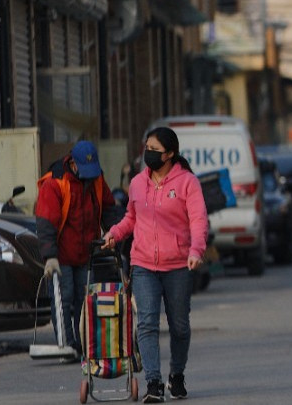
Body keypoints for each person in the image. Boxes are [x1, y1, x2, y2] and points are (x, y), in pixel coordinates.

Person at [104, 127, 208, 403]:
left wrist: (196, 249)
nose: (148, 153)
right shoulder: (138, 183)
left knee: (180, 326)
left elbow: (198, 220)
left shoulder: (187, 183)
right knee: (147, 323)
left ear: (170, 153)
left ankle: (176, 375)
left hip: (178, 265)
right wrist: (114, 234)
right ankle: (153, 382)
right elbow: (131, 218)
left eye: (155, 149)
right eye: (146, 148)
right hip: (144, 264)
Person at [35, 139, 119, 355]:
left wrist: (113, 233)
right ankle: (66, 345)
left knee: (85, 298)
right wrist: (49, 255)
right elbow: (46, 222)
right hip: (61, 254)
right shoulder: (55, 183)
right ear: (73, 163)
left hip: (86, 252)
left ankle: (84, 344)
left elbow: (108, 208)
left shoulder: (96, 179)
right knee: (64, 297)